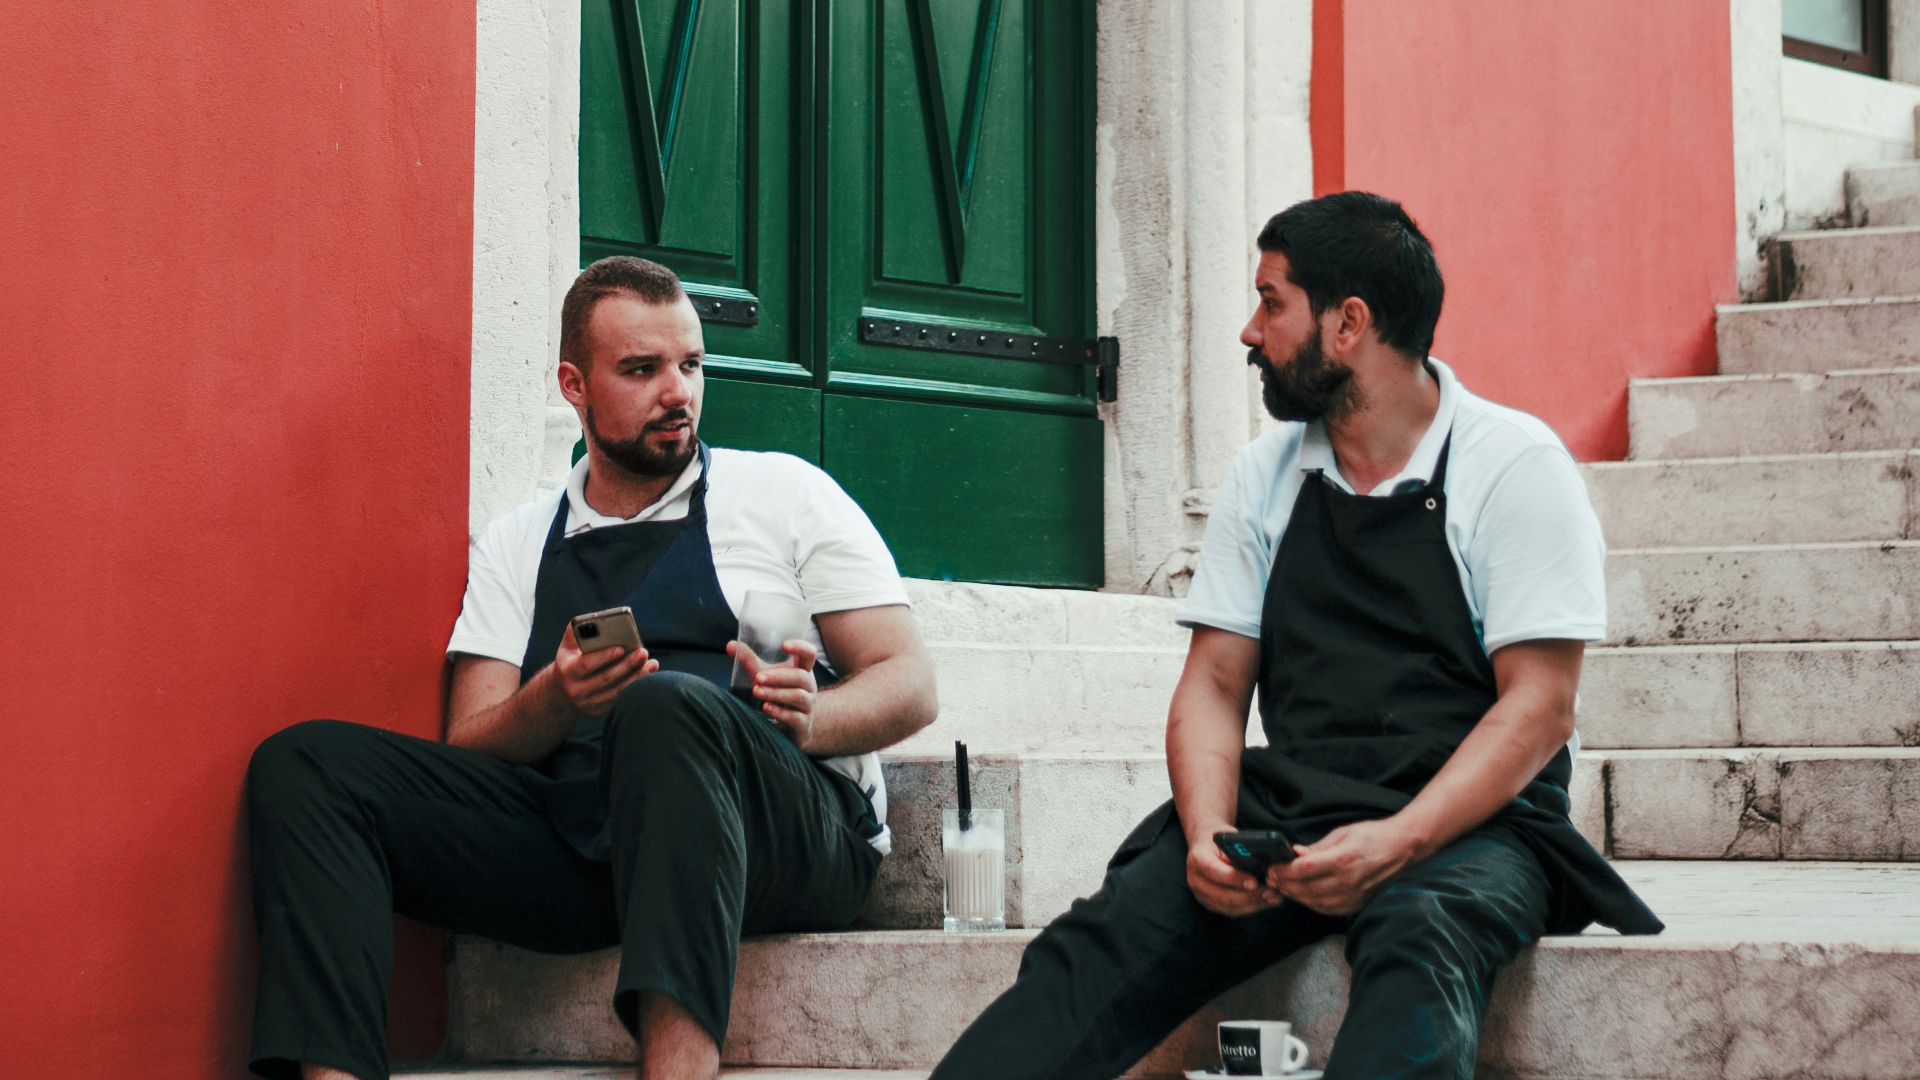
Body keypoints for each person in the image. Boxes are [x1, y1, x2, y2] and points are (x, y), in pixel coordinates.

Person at [931, 192, 1662, 1080]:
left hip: (1481, 825)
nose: (1249, 329)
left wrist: (1398, 843)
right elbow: (1212, 685)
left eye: (1272, 301)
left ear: (1348, 323)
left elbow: (1541, 707)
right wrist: (1206, 836)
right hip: (1295, 809)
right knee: (1104, 942)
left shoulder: (1514, 466)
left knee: (1419, 936)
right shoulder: (1264, 475)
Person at [245, 256, 938, 1080]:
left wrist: (812, 719)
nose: (677, 392)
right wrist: (555, 698)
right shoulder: (517, 542)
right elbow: (470, 739)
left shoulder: (784, 496)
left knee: (665, 707)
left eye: (690, 365)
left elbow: (911, 683)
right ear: (574, 386)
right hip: (589, 844)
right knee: (307, 763)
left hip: (783, 834)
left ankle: (677, 1068)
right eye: (642, 370)